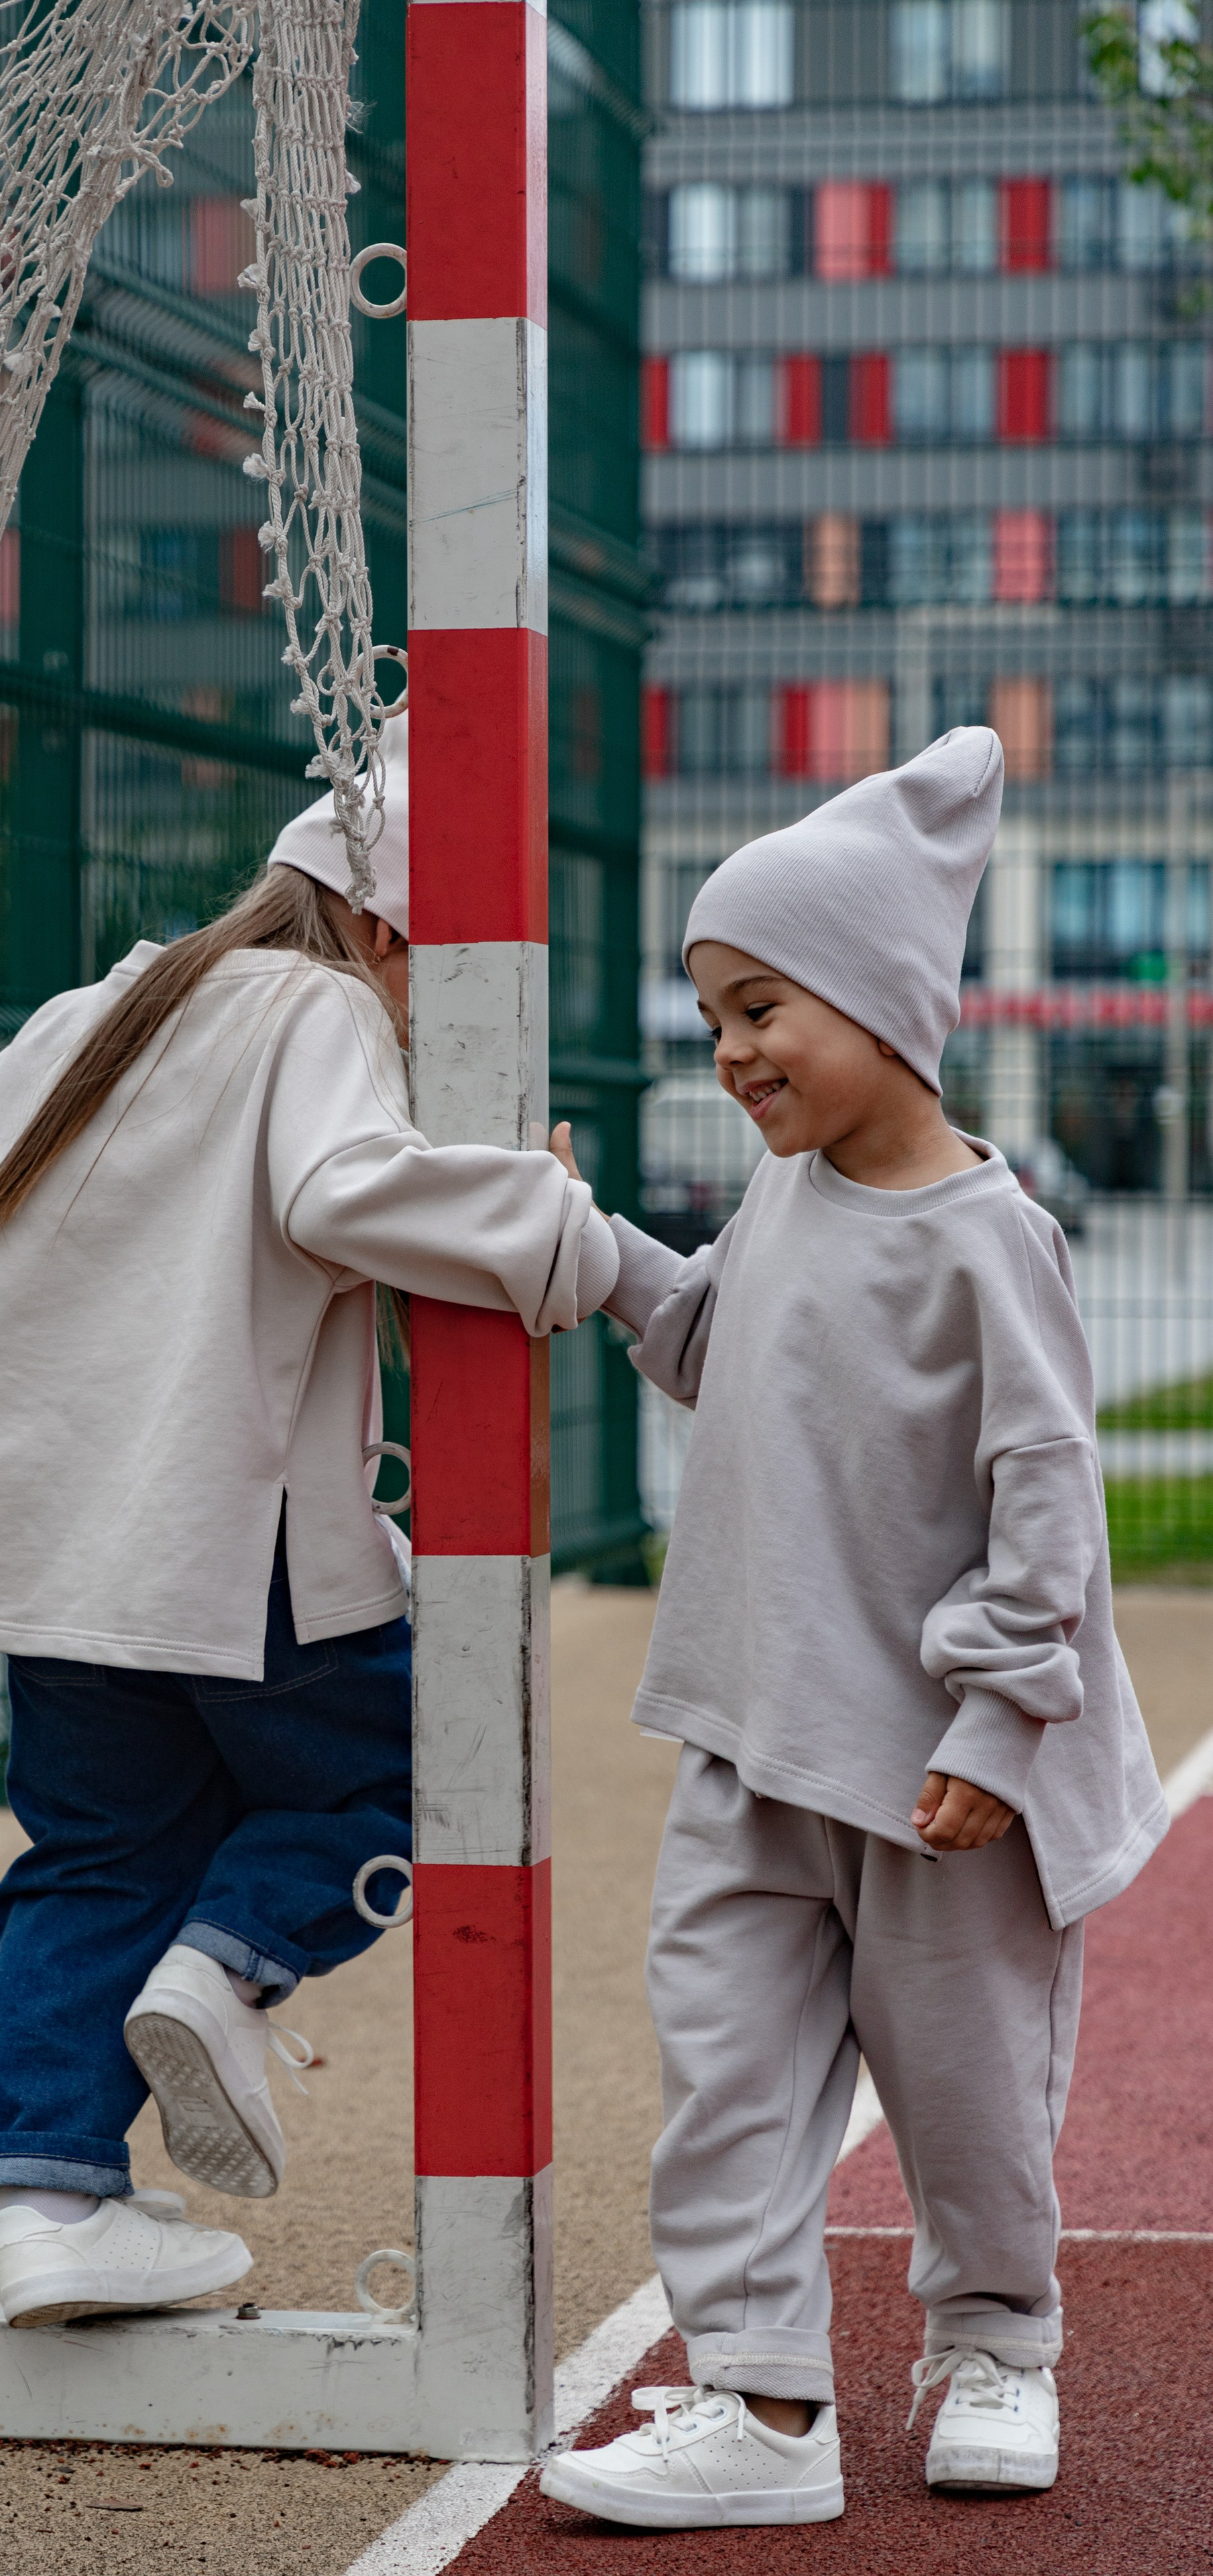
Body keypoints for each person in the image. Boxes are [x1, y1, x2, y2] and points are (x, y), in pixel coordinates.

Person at [0, 714, 619, 2328]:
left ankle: (56, 2199)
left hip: (52, 1558)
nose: (434, 1011)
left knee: (90, 1854)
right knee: (410, 1771)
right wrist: (544, 1221)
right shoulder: (323, 1010)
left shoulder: (101, 1011)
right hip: (237, 1546)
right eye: (443, 973)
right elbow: (342, 1189)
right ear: (380, 933)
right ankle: (221, 1971)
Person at [540, 728, 1167, 2531]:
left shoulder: (993, 1240)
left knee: (966, 2094)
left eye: (761, 1010)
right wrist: (589, 1245)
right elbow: (712, 1348)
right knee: (722, 2070)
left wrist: (994, 1720)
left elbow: (1049, 1497)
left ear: (892, 1000)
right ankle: (762, 2400)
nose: (732, 1053)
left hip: (937, 1775)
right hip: (753, 1733)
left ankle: (996, 2343)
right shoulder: (785, 1193)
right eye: (717, 1016)